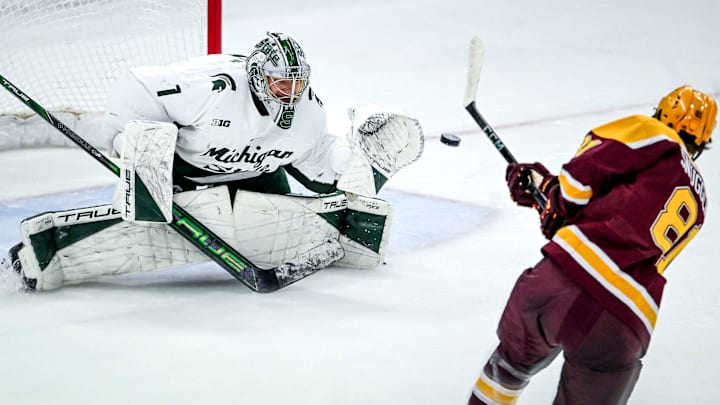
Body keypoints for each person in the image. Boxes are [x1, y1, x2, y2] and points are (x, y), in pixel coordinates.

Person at [1, 32, 424, 291]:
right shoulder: (212, 86)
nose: (289, 94)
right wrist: (134, 141)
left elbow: (319, 170)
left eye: (297, 84)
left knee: (272, 224)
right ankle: (40, 256)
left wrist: (366, 162)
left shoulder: (308, 113)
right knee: (150, 229)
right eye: (280, 83)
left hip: (256, 173)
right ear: (258, 75)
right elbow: (138, 86)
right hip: (183, 166)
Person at [467, 85, 716, 405]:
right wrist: (553, 205)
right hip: (626, 320)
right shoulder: (700, 200)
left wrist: (548, 192)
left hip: (561, 283)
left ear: (663, 113)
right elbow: (628, 235)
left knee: (509, 367)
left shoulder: (651, 132)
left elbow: (578, 183)